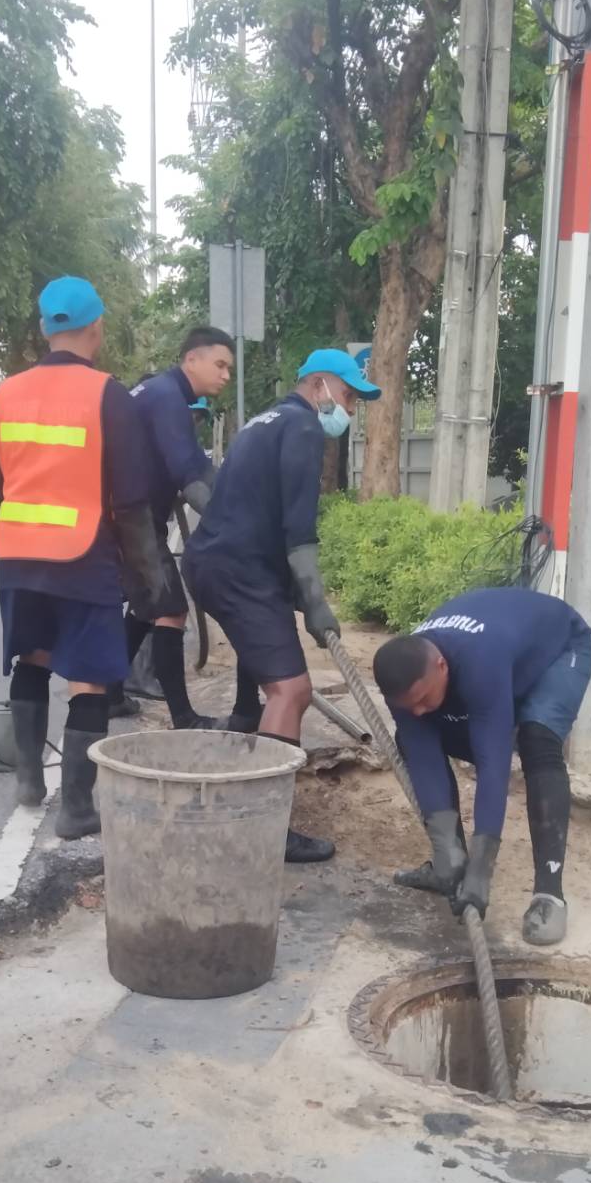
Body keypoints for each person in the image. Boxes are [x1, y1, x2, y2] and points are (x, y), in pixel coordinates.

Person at [0, 276, 164, 840]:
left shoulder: (5, 394)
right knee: (89, 681)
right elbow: (131, 502)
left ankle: (28, 782)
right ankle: (75, 809)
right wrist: (148, 572)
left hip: (19, 556)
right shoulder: (107, 395)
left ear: (46, 329)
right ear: (97, 326)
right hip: (83, 555)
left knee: (33, 659)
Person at [182, 348, 381, 862]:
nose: (351, 409)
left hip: (220, 564)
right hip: (240, 573)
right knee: (291, 690)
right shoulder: (304, 427)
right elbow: (298, 527)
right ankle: (266, 827)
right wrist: (314, 600)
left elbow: (252, 506)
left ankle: (243, 779)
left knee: (270, 681)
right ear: (318, 386)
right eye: (348, 396)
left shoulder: (264, 421)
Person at [373, 585, 591, 945]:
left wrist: (483, 870)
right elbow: (423, 754)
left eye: (423, 698)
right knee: (411, 738)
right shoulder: (407, 682)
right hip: (505, 654)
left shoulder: (479, 661)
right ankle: (453, 865)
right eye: (408, 705)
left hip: (560, 648)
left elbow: (493, 764)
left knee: (538, 739)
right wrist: (445, 846)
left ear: (441, 666)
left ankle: (549, 894)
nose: (417, 710)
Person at [124, 327, 236, 729]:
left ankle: (108, 695)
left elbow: (200, 467)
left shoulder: (162, 392)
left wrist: (236, 495)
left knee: (145, 608)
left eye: (229, 368)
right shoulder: (168, 397)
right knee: (171, 612)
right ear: (192, 359)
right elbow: (190, 476)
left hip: (127, 518)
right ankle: (184, 717)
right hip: (130, 522)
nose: (225, 375)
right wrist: (231, 526)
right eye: (219, 364)